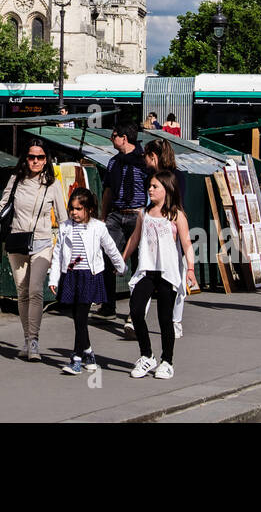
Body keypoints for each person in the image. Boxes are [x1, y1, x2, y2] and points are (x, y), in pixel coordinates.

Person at [0, 139, 68, 361]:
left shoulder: (52, 184)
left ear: (46, 159)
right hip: (17, 240)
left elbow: (63, 217)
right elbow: (2, 205)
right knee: (22, 292)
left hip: (42, 242)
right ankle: (26, 338)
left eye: (40, 157)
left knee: (35, 290)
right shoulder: (16, 179)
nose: (35, 161)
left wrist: (67, 245)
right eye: (31, 156)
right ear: (26, 158)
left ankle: (34, 340)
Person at [121, 169, 197, 379]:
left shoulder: (177, 215)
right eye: (150, 186)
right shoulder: (143, 214)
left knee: (165, 318)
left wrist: (190, 269)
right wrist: (122, 260)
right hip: (146, 269)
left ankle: (167, 361)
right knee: (136, 311)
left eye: (155, 186)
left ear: (167, 189)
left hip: (167, 272)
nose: (150, 189)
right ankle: (147, 356)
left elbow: (187, 244)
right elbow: (135, 239)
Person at [48, 188, 126, 374]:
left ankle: (76, 358)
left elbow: (111, 248)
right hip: (71, 276)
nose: (74, 213)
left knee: (81, 317)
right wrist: (54, 278)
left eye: (78, 209)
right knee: (77, 317)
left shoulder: (98, 227)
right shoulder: (65, 226)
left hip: (89, 276)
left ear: (89, 209)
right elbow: (58, 253)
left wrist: (121, 266)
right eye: (72, 209)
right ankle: (89, 352)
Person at [97, 122, 149, 319]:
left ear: (124, 138)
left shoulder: (143, 161)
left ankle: (135, 311)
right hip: (117, 215)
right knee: (107, 255)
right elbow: (108, 190)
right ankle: (108, 306)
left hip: (138, 215)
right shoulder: (113, 163)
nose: (112, 139)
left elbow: (151, 188)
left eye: (114, 136)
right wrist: (104, 216)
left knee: (139, 262)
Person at [142, 138, 185, 336]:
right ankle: (138, 316)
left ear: (153, 156)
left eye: (146, 156)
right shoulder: (151, 178)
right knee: (147, 274)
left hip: (170, 232)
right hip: (152, 233)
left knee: (174, 276)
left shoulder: (173, 177)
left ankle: (175, 321)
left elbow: (178, 208)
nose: (144, 160)